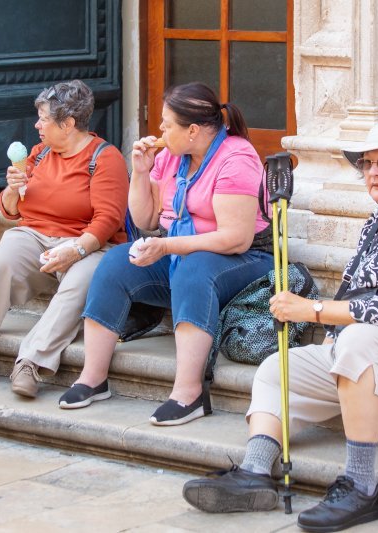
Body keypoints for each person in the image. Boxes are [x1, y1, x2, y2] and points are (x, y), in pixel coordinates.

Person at [181, 120, 378, 532]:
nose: (373, 172)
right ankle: (254, 474)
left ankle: (361, 487)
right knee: (277, 368)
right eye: (367, 164)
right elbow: (356, 291)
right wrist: (330, 329)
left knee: (360, 340)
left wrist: (313, 310)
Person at [58, 82, 273, 426]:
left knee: (194, 269)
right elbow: (146, 220)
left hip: (245, 260)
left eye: (166, 124)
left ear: (191, 130)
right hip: (183, 251)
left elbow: (235, 238)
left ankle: (189, 394)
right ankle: (92, 378)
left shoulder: (236, 157)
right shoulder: (171, 156)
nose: (159, 131)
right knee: (116, 261)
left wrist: (168, 246)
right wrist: (140, 173)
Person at [0, 80, 129, 397]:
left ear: (69, 123)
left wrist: (74, 250)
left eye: (44, 119)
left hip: (88, 243)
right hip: (34, 235)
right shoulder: (40, 152)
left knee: (82, 282)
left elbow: (107, 221)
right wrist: (10, 189)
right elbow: (12, 211)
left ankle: (30, 363)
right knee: (0, 260)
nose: (37, 125)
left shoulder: (105, 158)